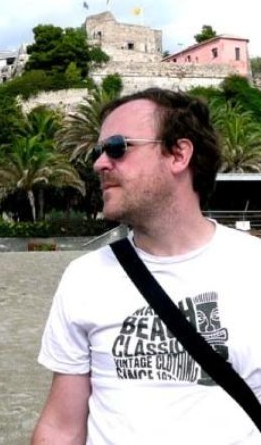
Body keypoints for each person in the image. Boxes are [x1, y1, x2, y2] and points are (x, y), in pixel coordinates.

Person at [31, 88, 261, 444]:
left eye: (117, 147)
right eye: (98, 151)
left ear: (179, 154)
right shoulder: (84, 278)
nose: (99, 163)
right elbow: (62, 427)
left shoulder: (253, 266)